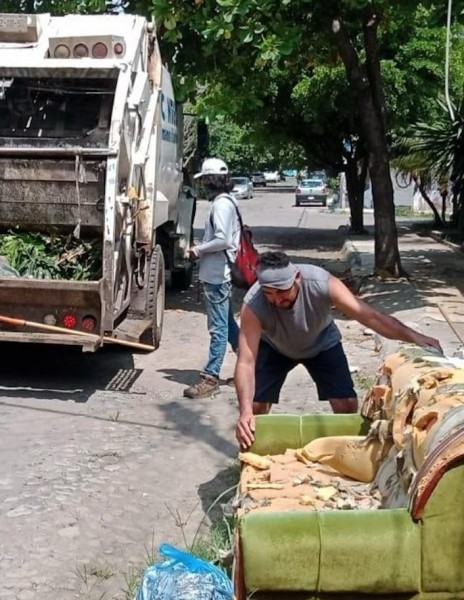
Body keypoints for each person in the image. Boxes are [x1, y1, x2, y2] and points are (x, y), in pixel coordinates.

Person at [234, 251, 442, 449]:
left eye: (281, 291)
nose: (276, 300)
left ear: (297, 278)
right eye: (269, 293)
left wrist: (416, 337)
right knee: (254, 407)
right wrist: (244, 412)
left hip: (322, 342)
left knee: (346, 404)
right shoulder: (254, 304)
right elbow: (246, 361)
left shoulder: (322, 283)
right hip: (276, 346)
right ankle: (256, 450)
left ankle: (346, 451)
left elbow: (372, 317)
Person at [183, 158, 241, 399]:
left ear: (210, 180)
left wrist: (198, 250)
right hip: (218, 272)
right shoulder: (227, 202)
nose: (204, 184)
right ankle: (251, 367)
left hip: (218, 275)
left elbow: (223, 240)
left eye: (205, 180)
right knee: (228, 326)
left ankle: (210, 377)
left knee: (218, 328)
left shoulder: (221, 206)